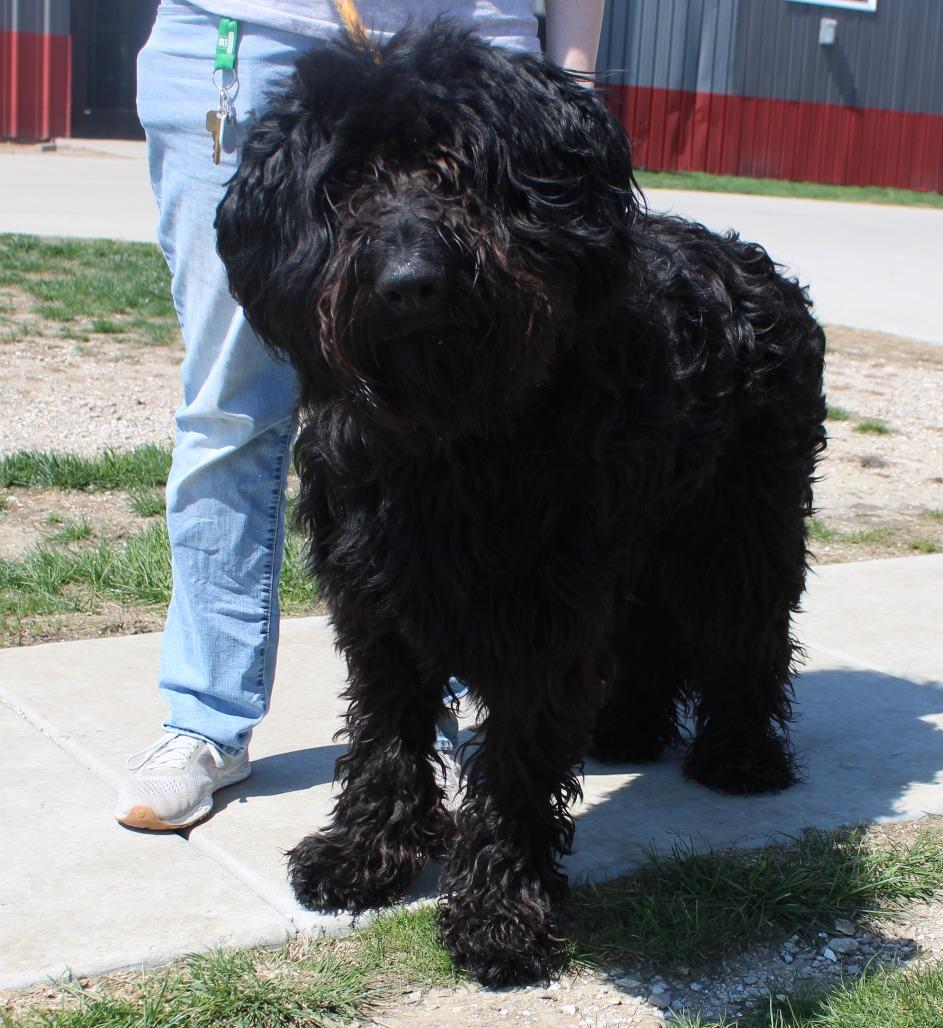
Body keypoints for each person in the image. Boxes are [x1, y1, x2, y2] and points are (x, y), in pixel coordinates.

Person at [115, 0, 605, 831]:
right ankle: (208, 718)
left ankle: (465, 695)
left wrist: (575, 72)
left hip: (479, 37)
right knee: (232, 410)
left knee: (514, 427)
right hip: (258, 33)